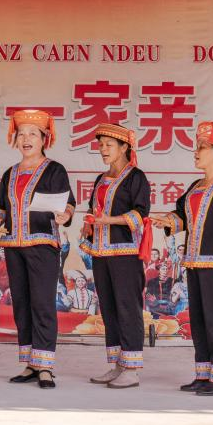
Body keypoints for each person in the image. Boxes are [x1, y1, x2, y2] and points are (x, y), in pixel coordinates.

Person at [155, 121, 213, 397]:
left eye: (202, 148)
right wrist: (167, 221)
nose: (196, 152)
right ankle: (204, 374)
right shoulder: (196, 186)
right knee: (199, 319)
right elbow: (183, 216)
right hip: (194, 262)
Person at [0, 109, 75, 389]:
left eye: (32, 134)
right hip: (13, 245)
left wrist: (65, 215)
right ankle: (31, 363)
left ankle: (45, 365)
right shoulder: (9, 173)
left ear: (44, 139)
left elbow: (67, 203)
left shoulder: (54, 170)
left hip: (42, 245)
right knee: (22, 304)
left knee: (43, 303)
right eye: (21, 134)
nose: (26, 139)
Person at [82, 121, 150, 388]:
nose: (103, 149)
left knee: (128, 308)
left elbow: (140, 214)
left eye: (109, 145)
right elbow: (94, 210)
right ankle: (117, 364)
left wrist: (107, 220)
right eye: (101, 145)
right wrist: (89, 224)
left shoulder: (136, 177)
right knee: (109, 309)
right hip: (101, 253)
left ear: (124, 147)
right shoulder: (101, 179)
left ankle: (132, 368)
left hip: (126, 254)